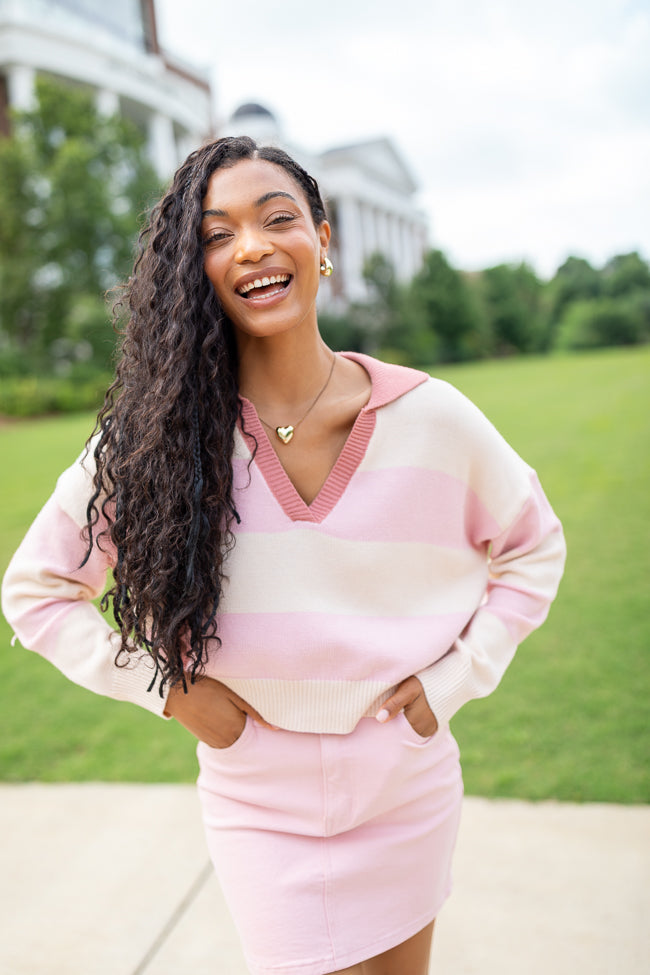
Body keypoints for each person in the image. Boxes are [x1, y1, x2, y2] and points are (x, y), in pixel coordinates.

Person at [2, 136, 566, 975]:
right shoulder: (153, 440)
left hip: (407, 786)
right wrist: (169, 691)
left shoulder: (434, 418)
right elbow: (38, 588)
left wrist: (452, 682)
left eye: (277, 219)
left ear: (323, 239)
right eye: (217, 233)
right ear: (197, 270)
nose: (254, 246)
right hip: (259, 806)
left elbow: (532, 548)